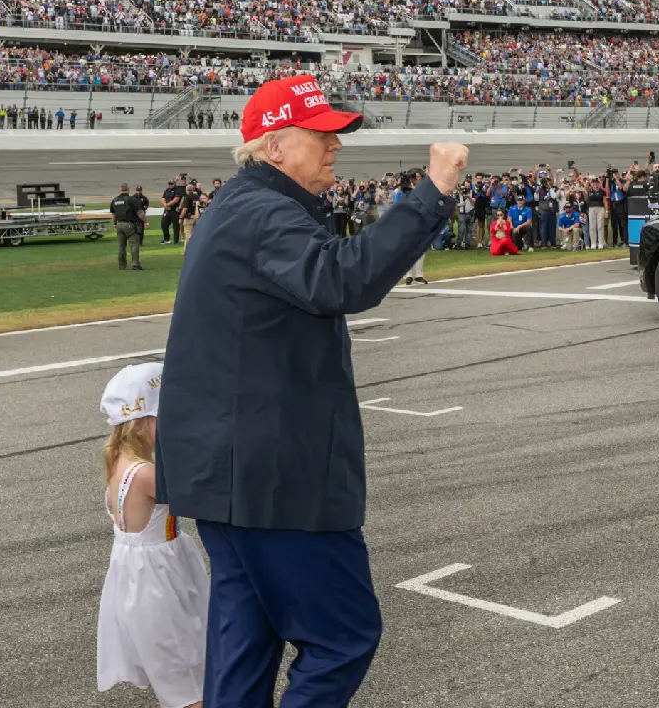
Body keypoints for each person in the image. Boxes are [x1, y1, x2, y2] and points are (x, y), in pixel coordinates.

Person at [154, 73, 467, 708]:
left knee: (247, 643)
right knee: (343, 636)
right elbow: (342, 278)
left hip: (235, 476)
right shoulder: (261, 213)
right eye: (320, 134)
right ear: (272, 147)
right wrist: (431, 195)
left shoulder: (245, 207)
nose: (336, 146)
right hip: (274, 480)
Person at [96, 362, 209, 708]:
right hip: (161, 587)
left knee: (176, 684)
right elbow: (200, 494)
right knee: (189, 688)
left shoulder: (120, 463)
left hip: (144, 581)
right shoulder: (146, 474)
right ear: (143, 423)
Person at [110, 183, 145, 270]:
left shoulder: (115, 200)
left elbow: (113, 214)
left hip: (119, 224)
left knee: (121, 246)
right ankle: (135, 264)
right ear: (128, 190)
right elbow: (140, 212)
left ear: (120, 190)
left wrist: (115, 224)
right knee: (134, 244)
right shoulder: (131, 199)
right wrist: (145, 221)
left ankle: (121, 265)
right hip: (130, 224)